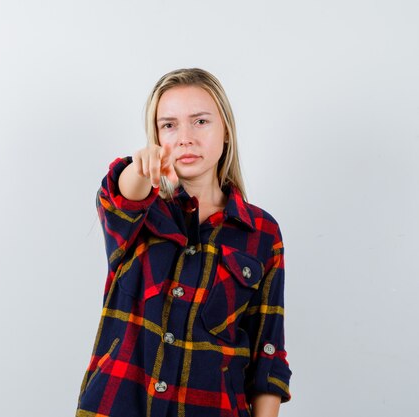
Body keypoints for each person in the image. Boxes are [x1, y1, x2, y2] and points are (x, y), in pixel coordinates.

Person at [76, 68, 292, 417]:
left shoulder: (262, 232)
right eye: (169, 125)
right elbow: (120, 192)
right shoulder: (138, 212)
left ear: (225, 132)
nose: (185, 138)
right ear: (156, 137)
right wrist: (140, 166)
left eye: (201, 122)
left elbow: (267, 353)